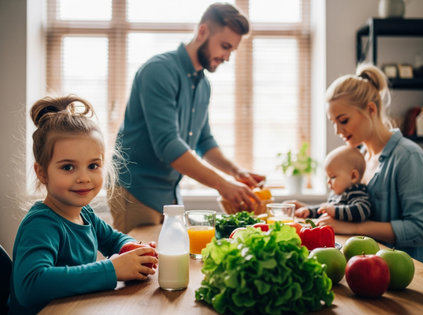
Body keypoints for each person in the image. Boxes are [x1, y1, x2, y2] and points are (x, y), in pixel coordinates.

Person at [110, 2, 265, 233]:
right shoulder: (159, 71)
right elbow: (168, 146)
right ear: (202, 31)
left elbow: (204, 141)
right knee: (142, 268)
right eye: (224, 46)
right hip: (137, 191)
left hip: (169, 196)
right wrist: (223, 186)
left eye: (231, 50)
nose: (227, 57)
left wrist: (236, 172)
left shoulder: (203, 84)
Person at [8, 96, 158, 314]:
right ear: (42, 173)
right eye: (68, 167)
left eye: (93, 165)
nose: (84, 178)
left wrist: (130, 248)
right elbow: (30, 285)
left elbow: (114, 239)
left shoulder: (84, 213)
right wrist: (112, 270)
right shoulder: (41, 223)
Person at [313, 63, 423, 262]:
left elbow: (421, 229)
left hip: (402, 274)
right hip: (362, 265)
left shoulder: (408, 157)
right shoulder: (360, 156)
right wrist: (314, 209)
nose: (337, 131)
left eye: (343, 120)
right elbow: (348, 205)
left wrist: (355, 229)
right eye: (333, 122)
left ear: (370, 109)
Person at [295, 145, 371, 222]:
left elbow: (362, 211)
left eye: (333, 177)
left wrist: (334, 211)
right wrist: (309, 211)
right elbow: (324, 209)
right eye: (327, 177)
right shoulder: (336, 195)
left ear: (353, 176)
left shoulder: (356, 192)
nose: (328, 181)